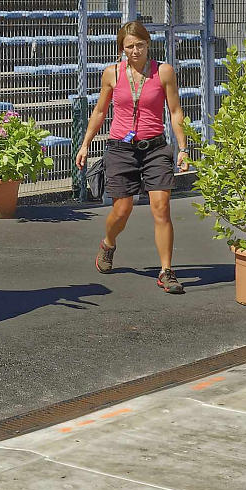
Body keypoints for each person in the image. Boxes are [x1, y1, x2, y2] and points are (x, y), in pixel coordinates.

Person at [75, 19, 191, 294]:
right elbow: (100, 112)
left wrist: (183, 148)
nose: (136, 51)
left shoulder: (163, 72)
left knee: (161, 208)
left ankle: (166, 271)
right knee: (122, 209)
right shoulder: (111, 74)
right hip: (121, 149)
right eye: (130, 46)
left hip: (155, 148)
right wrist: (85, 144)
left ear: (148, 44)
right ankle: (108, 243)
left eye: (140, 45)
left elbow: (175, 112)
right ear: (121, 49)